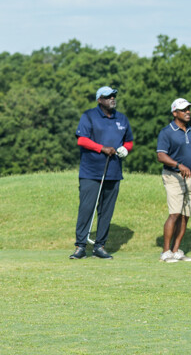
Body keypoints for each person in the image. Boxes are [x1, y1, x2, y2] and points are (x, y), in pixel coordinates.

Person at [70, 86, 134, 260]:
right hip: (90, 172)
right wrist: (101, 148)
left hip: (113, 171)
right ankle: (80, 246)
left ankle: (100, 246)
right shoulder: (89, 116)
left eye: (113, 96)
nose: (112, 98)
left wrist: (125, 149)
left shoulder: (122, 118)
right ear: (99, 100)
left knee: (106, 211)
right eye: (108, 96)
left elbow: (129, 141)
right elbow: (82, 140)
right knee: (87, 209)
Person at [156, 98, 191, 262]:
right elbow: (161, 156)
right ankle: (165, 252)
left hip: (190, 177)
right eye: (184, 110)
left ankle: (176, 251)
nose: (188, 112)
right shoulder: (167, 132)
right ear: (175, 113)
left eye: (189, 109)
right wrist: (178, 165)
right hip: (173, 176)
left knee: (185, 215)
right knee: (174, 213)